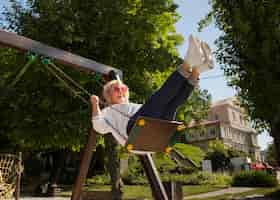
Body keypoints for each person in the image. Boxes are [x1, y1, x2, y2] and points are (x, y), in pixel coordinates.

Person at [90, 35, 214, 148]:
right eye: (116, 89)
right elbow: (98, 127)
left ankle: (198, 70)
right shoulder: (108, 111)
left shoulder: (135, 107)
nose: (121, 91)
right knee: (159, 99)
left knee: (174, 102)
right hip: (133, 133)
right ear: (108, 96)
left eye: (123, 88)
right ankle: (188, 62)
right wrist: (95, 105)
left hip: (156, 132)